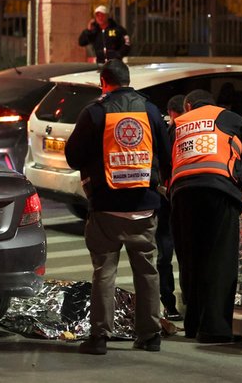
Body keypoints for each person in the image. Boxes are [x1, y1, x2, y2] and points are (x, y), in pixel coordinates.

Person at [65, 59, 170, 354]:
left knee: (104, 272)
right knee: (147, 271)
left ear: (103, 81)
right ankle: (150, 336)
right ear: (128, 80)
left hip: (106, 207)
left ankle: (99, 338)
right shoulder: (150, 110)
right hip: (144, 205)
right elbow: (165, 153)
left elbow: (73, 157)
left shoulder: (95, 112)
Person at [170, 89, 242, 343]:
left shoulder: (179, 123)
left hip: (183, 194)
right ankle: (215, 329)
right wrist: (238, 180)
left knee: (191, 259)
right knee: (220, 260)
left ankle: (193, 324)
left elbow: (166, 160)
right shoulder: (230, 117)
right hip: (219, 191)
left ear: (188, 105)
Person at [156, 94, 185, 322]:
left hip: (169, 197)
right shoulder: (171, 131)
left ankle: (171, 305)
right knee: (181, 254)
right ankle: (179, 303)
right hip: (178, 197)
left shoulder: (168, 131)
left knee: (166, 254)